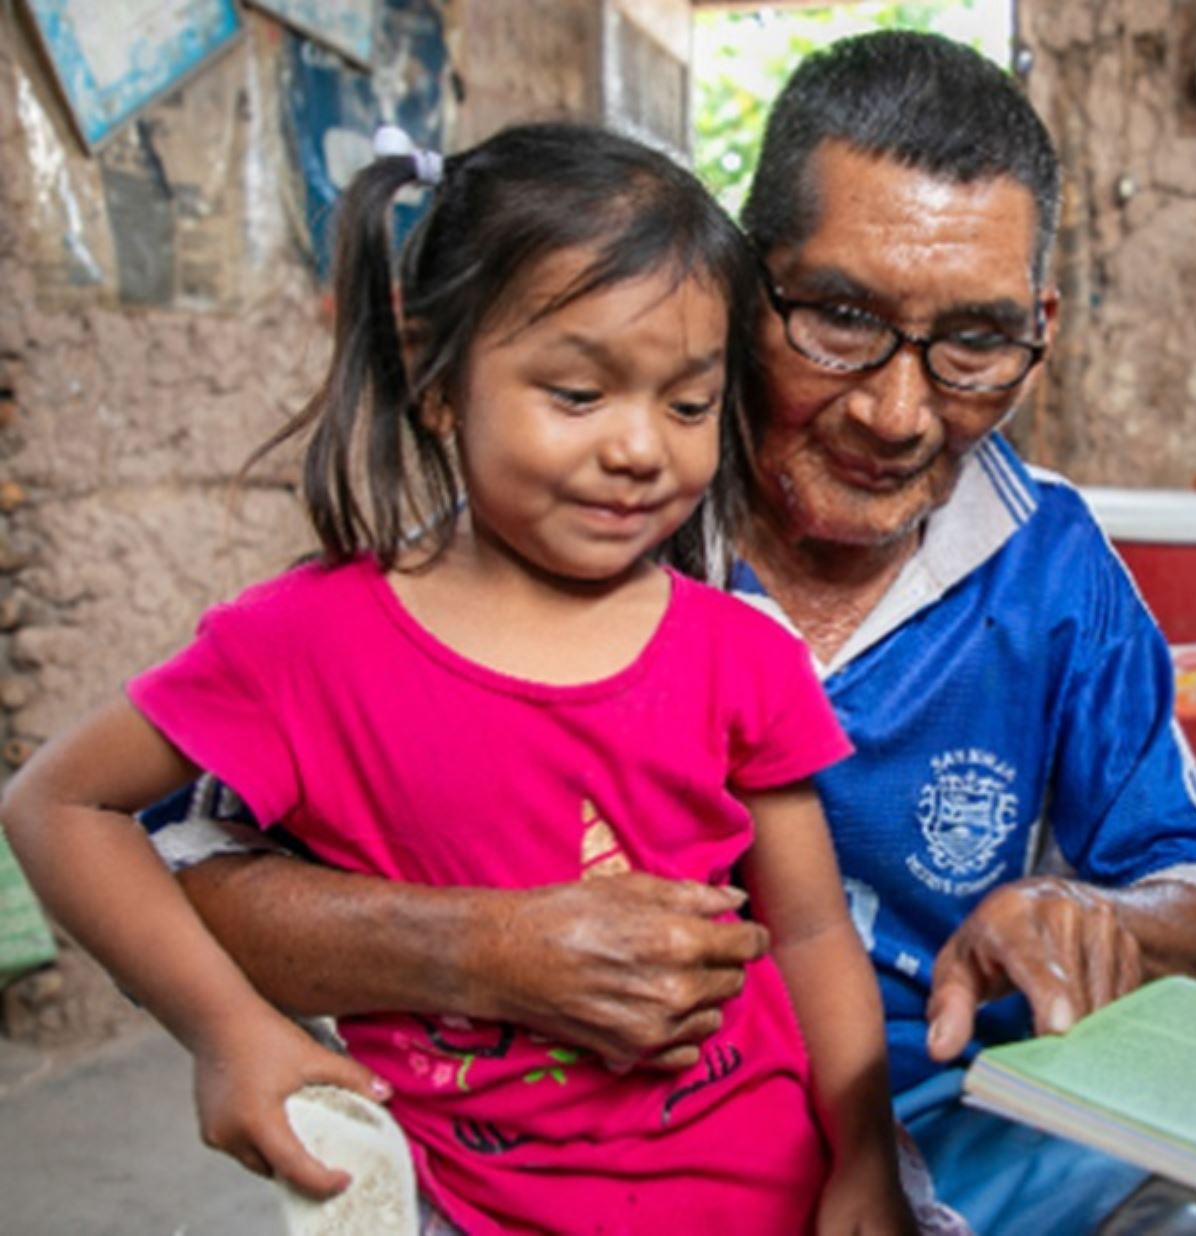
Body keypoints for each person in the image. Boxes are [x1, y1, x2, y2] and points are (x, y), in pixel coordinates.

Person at [152, 32, 1196, 1234]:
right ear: (738, 282)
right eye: (839, 317)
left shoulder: (1056, 567)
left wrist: (1096, 920)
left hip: (970, 1129)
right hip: (600, 1169)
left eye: (975, 344)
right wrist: (490, 950)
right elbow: (187, 877)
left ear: (1038, 325)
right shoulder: (572, 530)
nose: (896, 410)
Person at [3, 121, 912, 1235]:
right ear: (437, 381)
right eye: (578, 395)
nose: (641, 448)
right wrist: (226, 1029)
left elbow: (813, 935)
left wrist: (863, 1153)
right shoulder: (306, 645)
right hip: (485, 1211)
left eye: (685, 405)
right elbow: (56, 804)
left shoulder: (742, 653)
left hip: (772, 1192)